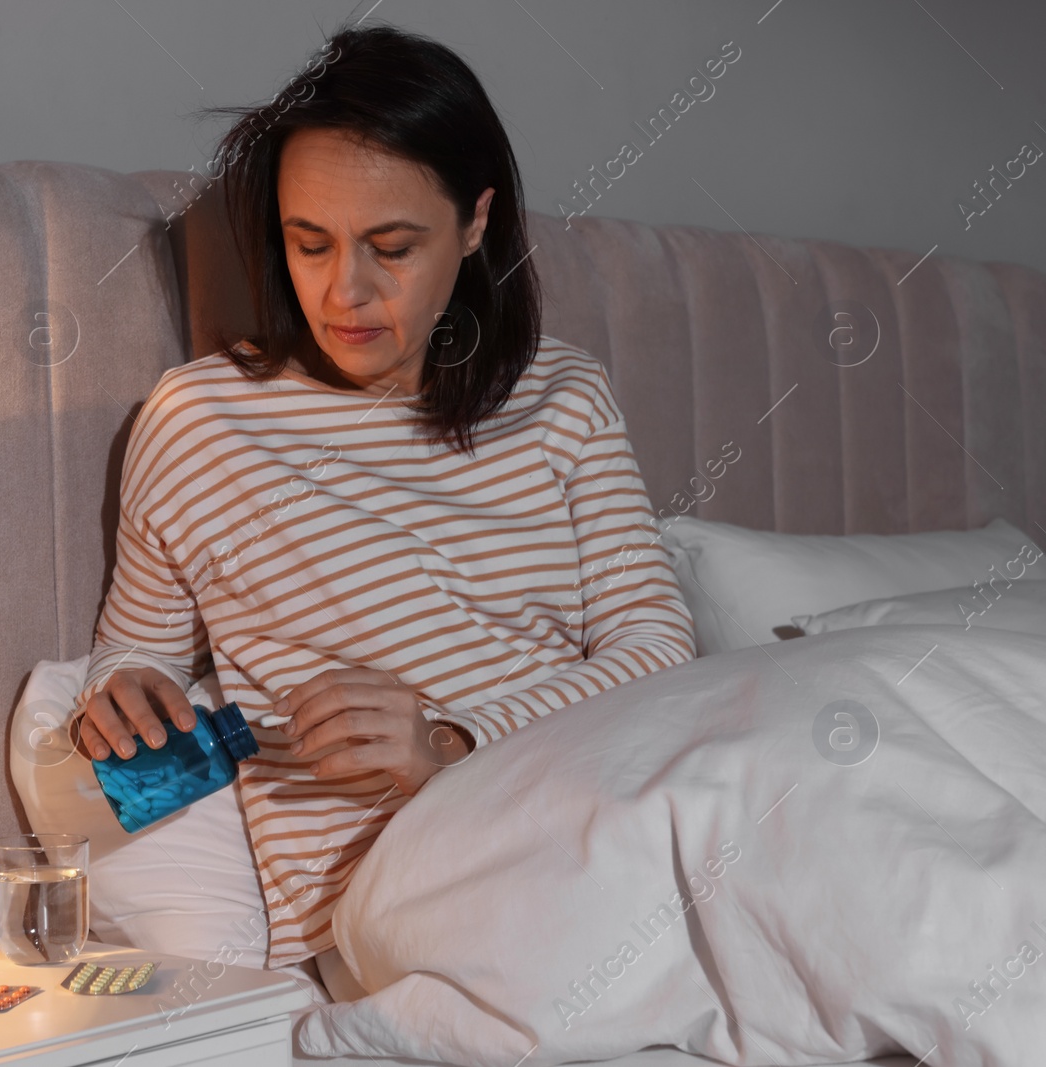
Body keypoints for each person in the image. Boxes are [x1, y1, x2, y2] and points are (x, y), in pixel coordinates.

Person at [68, 20, 695, 988]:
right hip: (381, 887)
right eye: (307, 244)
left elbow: (653, 650)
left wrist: (448, 741)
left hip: (588, 808)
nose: (344, 292)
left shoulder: (563, 395)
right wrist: (122, 689)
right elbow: (137, 645)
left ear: (476, 223)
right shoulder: (200, 420)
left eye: (391, 247)